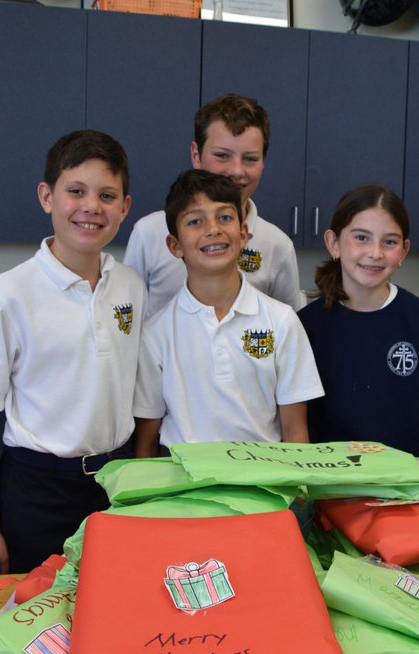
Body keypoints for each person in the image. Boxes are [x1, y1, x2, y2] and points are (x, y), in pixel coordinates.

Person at [0, 130, 145, 574]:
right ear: (47, 197)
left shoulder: (132, 287)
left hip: (114, 483)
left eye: (107, 195)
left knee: (110, 611)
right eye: (75, 191)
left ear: (125, 208)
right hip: (34, 491)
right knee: (33, 623)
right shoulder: (10, 294)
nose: (91, 207)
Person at [133, 170, 322, 457]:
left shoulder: (281, 321)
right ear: (175, 245)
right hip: (183, 489)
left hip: (263, 488)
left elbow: (295, 432)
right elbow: (146, 437)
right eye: (195, 221)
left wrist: (296, 498)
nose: (213, 229)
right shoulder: (156, 332)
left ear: (243, 233)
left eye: (224, 217)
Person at [297, 184, 419, 457]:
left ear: (404, 251)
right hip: (327, 486)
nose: (375, 252)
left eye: (389, 241)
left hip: (405, 487)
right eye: (361, 237)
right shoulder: (305, 327)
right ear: (333, 243)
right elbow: (294, 426)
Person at [124, 93, 302, 317]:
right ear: (196, 155)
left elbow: (289, 324)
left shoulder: (278, 246)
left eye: (250, 158)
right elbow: (127, 319)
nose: (236, 171)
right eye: (222, 155)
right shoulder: (148, 233)